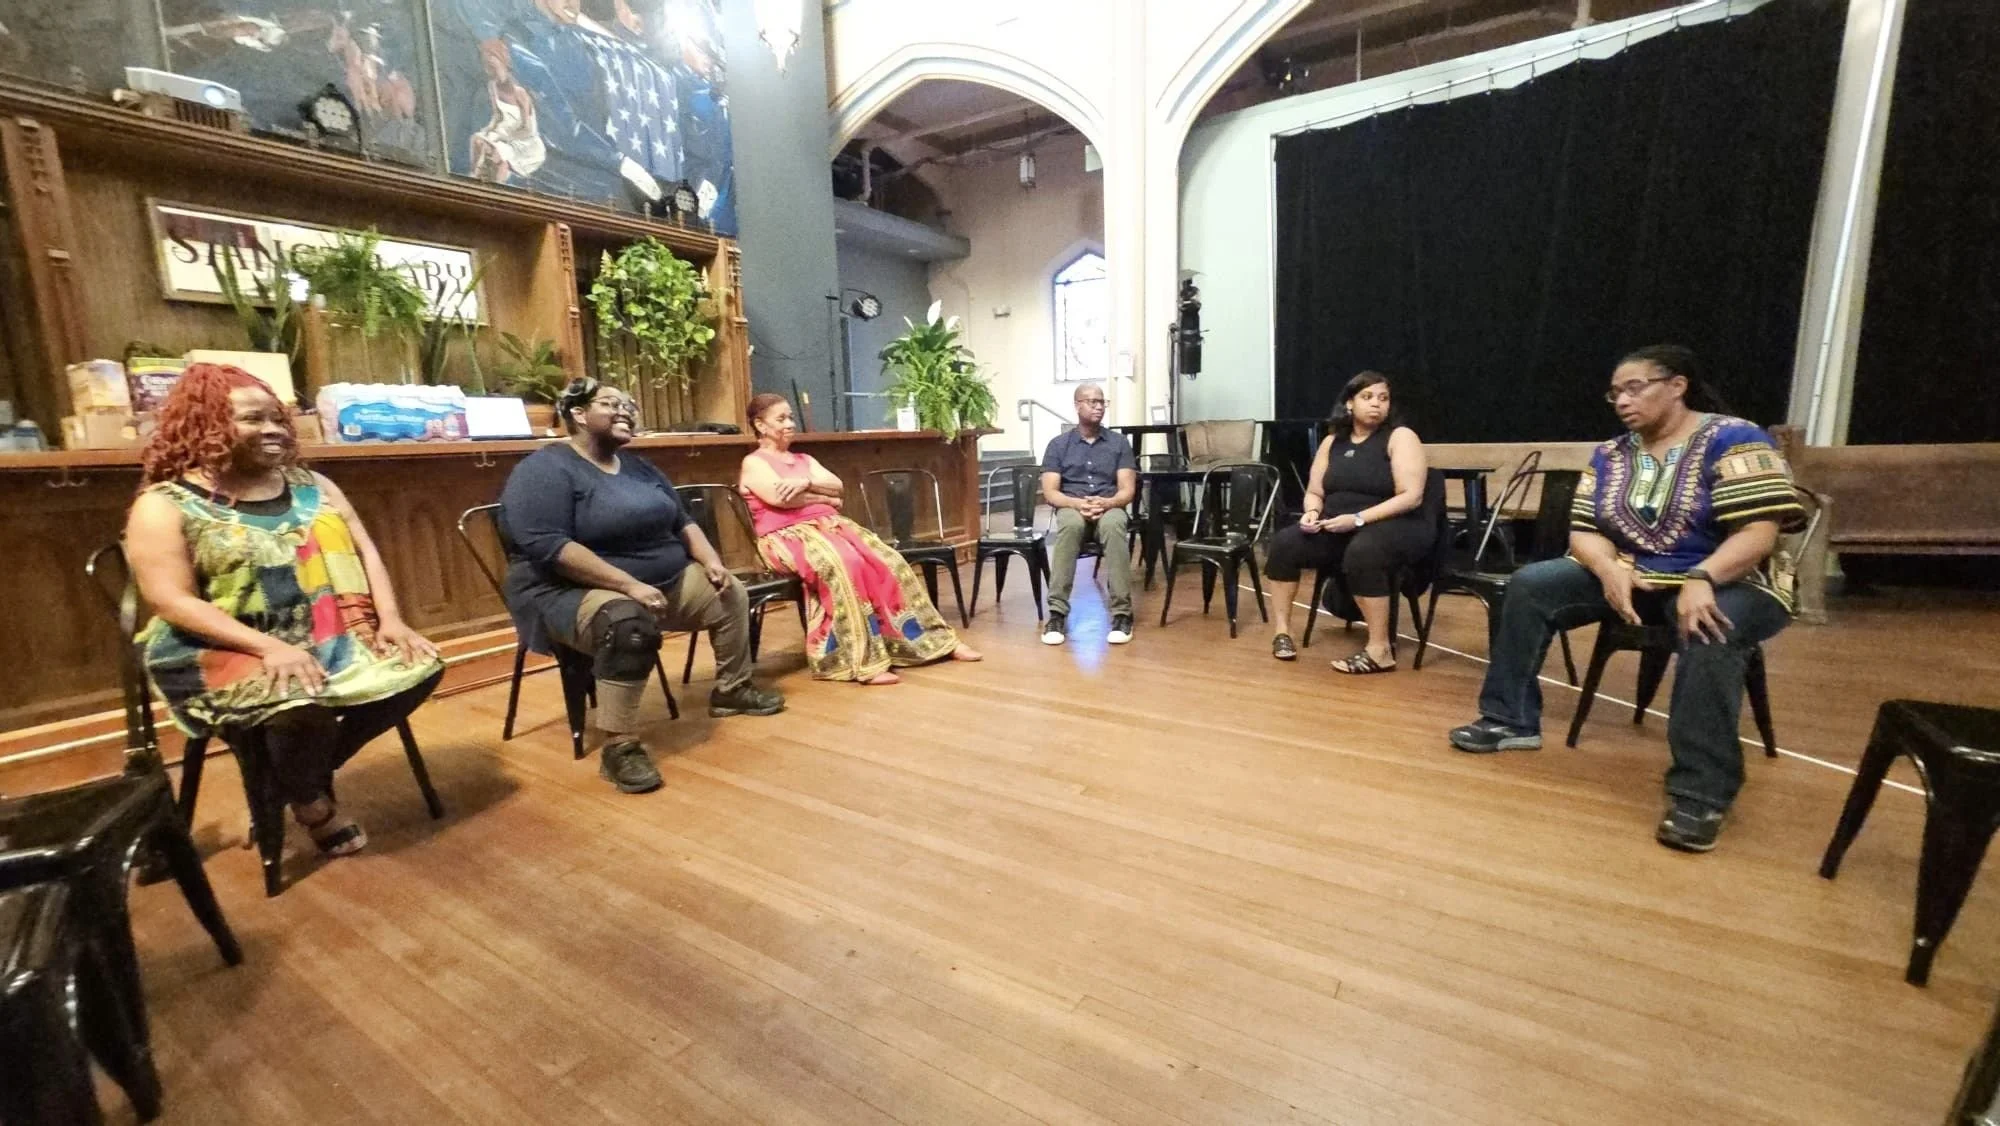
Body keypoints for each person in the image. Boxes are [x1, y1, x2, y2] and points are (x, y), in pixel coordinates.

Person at [1447, 345, 1807, 853]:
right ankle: (1509, 718)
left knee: (1711, 622)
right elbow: (1583, 531)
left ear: (1677, 386)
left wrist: (1702, 577)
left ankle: (1701, 792)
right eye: (1615, 393)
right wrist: (1606, 567)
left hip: (1732, 578)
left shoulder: (1734, 438)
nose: (1621, 401)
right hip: (1634, 572)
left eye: (1634, 388)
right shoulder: (1612, 454)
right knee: (1531, 585)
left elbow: (1758, 533)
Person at [126, 363, 443, 858]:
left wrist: (391, 619)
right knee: (301, 711)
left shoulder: (314, 485)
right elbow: (171, 600)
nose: (273, 429)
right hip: (219, 647)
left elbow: (365, 551)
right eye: (253, 419)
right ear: (205, 425)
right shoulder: (165, 504)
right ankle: (313, 805)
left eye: (277, 418)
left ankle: (281, 784)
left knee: (422, 665)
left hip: (331, 633)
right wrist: (269, 647)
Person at [499, 377, 784, 794]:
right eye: (610, 403)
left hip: (657, 580)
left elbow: (682, 520)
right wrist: (628, 585)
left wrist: (711, 562)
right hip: (566, 590)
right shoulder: (544, 470)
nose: (625, 411)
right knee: (628, 626)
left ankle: (732, 690)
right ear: (578, 414)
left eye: (628, 405)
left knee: (728, 593)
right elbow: (549, 545)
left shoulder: (639, 467)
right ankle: (620, 747)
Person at [738, 394, 981, 685]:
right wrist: (824, 498)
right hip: (785, 537)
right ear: (760, 425)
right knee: (846, 564)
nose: (790, 423)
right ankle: (861, 658)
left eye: (790, 417)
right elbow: (781, 499)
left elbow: (838, 487)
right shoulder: (754, 463)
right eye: (781, 419)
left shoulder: (805, 460)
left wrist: (806, 483)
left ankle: (935, 642)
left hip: (831, 527)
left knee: (890, 561)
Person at [1263, 372, 1431, 672]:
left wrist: (1357, 519)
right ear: (1349, 403)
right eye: (1368, 397)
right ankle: (1282, 632)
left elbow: (1411, 496)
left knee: (1364, 550)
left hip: (1395, 524)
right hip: (1339, 523)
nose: (1376, 404)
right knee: (1285, 544)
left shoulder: (1400, 437)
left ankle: (1380, 650)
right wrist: (1312, 512)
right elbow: (1315, 492)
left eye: (1383, 398)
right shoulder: (1332, 442)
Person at [1038, 383, 1137, 646]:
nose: (1098, 407)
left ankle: (1122, 614)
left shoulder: (1119, 443)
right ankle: (1057, 613)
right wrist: (1077, 504)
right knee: (1070, 526)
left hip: (1109, 506)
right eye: (1092, 401)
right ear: (1077, 405)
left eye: (1102, 402)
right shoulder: (1058, 445)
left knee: (1115, 525)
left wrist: (1108, 502)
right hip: (1072, 506)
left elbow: (1127, 490)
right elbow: (1050, 492)